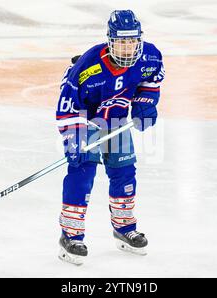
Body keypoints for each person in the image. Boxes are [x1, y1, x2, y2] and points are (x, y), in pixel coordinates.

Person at [56, 9, 165, 265]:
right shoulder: (87, 67)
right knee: (83, 170)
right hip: (85, 117)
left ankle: (124, 228)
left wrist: (145, 103)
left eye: (131, 41)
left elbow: (150, 82)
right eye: (121, 42)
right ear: (110, 41)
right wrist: (74, 138)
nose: (127, 48)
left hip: (116, 118)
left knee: (124, 170)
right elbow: (66, 107)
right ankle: (71, 235)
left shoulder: (150, 56)